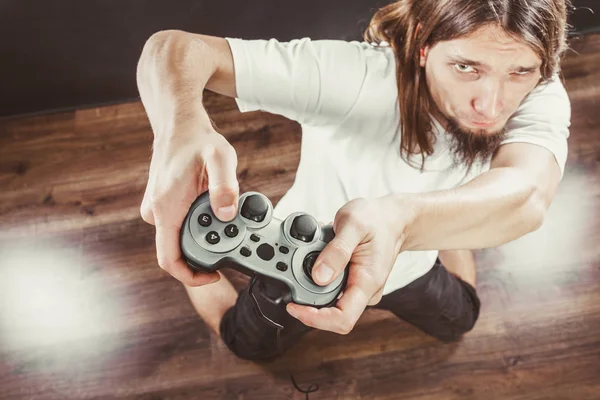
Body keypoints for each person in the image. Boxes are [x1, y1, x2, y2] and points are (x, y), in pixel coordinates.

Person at [136, 0, 572, 362]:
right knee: (246, 344)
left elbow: (528, 195)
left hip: (409, 263)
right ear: (422, 44)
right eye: (465, 67)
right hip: (303, 260)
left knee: (462, 319)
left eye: (519, 73)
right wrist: (180, 127)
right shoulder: (357, 78)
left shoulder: (541, 91)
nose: (492, 105)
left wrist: (408, 220)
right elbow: (172, 49)